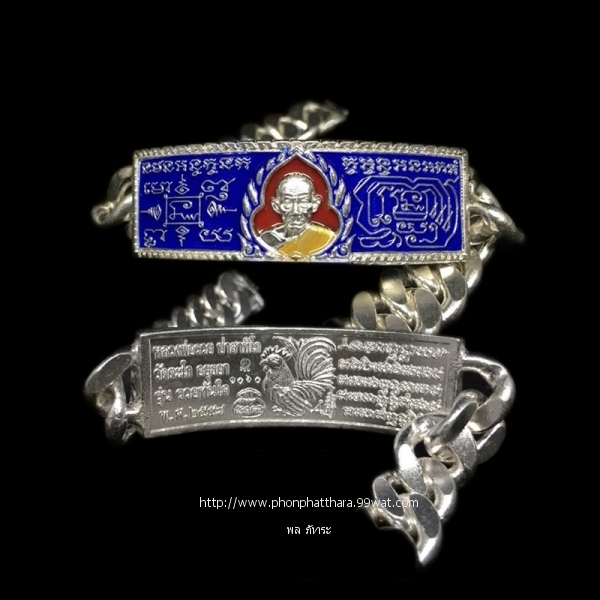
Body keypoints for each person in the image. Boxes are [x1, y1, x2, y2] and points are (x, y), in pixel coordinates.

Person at [258, 173, 337, 258]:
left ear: (315, 204)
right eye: (287, 202)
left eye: (303, 202)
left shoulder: (327, 238)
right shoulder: (267, 240)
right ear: (276, 206)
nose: (295, 211)